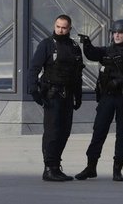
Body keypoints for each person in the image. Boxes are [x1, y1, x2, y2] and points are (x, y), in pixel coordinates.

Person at [73, 19, 123, 181]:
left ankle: (117, 169)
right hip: (107, 98)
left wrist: (120, 81)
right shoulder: (106, 51)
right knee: (99, 131)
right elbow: (92, 54)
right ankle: (91, 167)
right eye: (115, 32)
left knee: (122, 134)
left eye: (121, 32)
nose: (117, 35)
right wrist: (87, 43)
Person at [28, 14, 84, 182]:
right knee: (52, 132)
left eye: (64, 27)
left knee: (64, 132)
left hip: (68, 95)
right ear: (54, 25)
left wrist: (78, 96)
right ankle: (48, 168)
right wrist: (34, 90)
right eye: (58, 26)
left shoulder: (74, 47)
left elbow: (77, 74)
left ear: (70, 28)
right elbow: (34, 68)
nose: (60, 30)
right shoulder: (46, 45)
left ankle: (56, 166)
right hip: (52, 95)